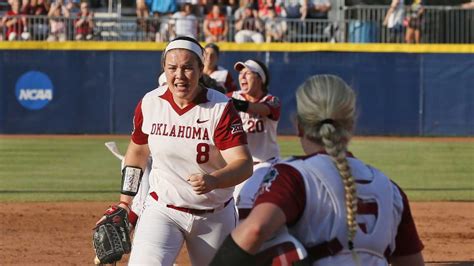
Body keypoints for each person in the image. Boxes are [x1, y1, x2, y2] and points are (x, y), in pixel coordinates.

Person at [211, 74, 425, 266]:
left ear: (299, 126)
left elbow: (254, 231)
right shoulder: (391, 190)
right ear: (351, 125)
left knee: (276, 245)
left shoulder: (293, 175)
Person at [96, 36, 253, 266]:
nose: (179, 75)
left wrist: (213, 179)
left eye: (188, 68)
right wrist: (124, 203)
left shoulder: (219, 108)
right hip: (163, 209)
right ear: (164, 70)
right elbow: (137, 152)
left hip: (214, 214)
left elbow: (243, 163)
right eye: (172, 68)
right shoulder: (151, 103)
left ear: (201, 69)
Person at [229, 59, 281, 219]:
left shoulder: (272, 100)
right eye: (240, 73)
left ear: (260, 78)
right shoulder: (232, 97)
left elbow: (265, 109)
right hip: (239, 164)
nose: (242, 76)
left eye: (248, 73)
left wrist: (237, 105)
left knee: (245, 199)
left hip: (265, 163)